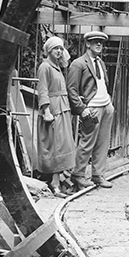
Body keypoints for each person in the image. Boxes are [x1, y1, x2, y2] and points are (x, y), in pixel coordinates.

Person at [67, 31, 115, 190]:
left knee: (103, 142)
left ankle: (97, 174)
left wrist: (108, 102)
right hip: (92, 108)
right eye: (95, 42)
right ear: (87, 44)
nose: (99, 44)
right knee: (87, 141)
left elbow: (102, 83)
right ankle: (78, 174)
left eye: (101, 42)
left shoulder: (100, 62)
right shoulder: (78, 63)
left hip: (106, 106)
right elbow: (71, 89)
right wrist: (82, 109)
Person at [36, 36, 76, 197]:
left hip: (63, 109)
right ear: (48, 51)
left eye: (61, 48)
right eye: (55, 49)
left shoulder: (57, 67)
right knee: (55, 146)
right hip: (53, 111)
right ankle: (55, 183)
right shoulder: (45, 67)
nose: (59, 51)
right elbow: (43, 90)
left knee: (63, 145)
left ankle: (58, 180)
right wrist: (46, 111)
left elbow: (66, 61)